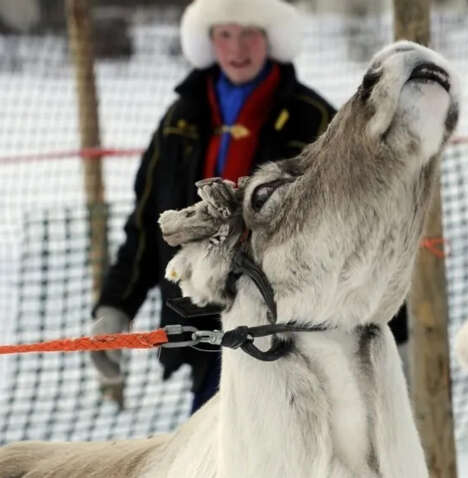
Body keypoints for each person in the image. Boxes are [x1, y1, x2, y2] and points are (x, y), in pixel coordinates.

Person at [90, 0, 408, 413]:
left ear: (270, 38)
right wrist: (115, 308)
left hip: (296, 327)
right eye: (224, 34)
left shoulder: (313, 119)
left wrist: (395, 333)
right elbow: (147, 226)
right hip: (205, 320)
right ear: (208, 42)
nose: (237, 47)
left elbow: (368, 227)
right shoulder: (179, 120)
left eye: (249, 34)